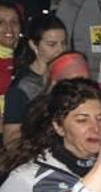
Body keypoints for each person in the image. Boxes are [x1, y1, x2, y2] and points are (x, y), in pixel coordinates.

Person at [2, 14, 68, 149]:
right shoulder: (23, 86)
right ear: (33, 44)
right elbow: (11, 140)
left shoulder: (68, 74)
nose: (60, 50)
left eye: (64, 43)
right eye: (52, 44)